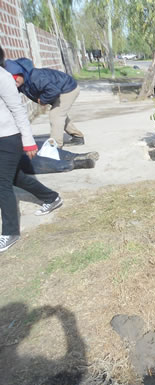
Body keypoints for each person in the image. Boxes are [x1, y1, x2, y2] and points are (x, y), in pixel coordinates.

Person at [0, 47, 63, 252]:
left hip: (9, 138)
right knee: (15, 178)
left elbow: (18, 110)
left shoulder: (3, 77)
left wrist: (28, 141)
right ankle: (51, 197)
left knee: (2, 183)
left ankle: (10, 232)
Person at [4, 58, 85, 148]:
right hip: (60, 90)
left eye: (15, 79)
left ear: (21, 73)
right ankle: (78, 137)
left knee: (56, 114)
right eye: (10, 81)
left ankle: (56, 146)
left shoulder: (36, 77)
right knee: (60, 114)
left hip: (68, 89)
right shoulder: (21, 83)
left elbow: (53, 91)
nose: (14, 83)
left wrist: (43, 100)